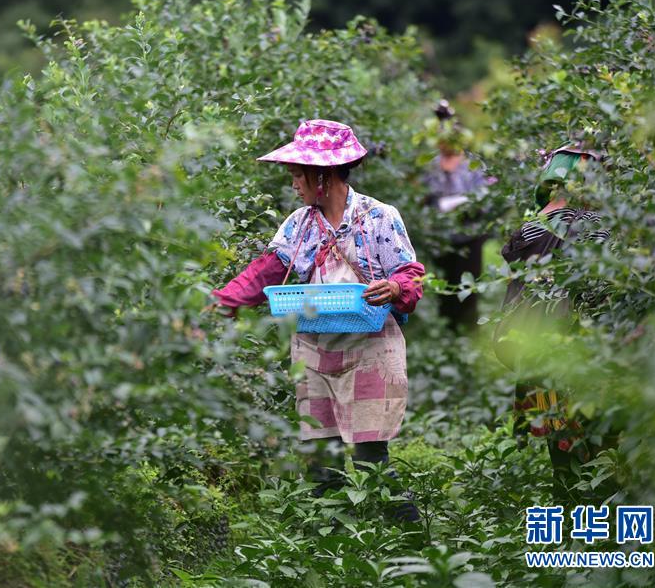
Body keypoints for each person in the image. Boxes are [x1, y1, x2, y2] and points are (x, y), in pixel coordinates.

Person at [211, 120, 425, 518]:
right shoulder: (298, 224)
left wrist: (394, 288)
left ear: (323, 176)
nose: (294, 184)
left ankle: (408, 543)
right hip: (314, 347)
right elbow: (268, 271)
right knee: (320, 461)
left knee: (370, 460)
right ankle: (332, 550)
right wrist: (222, 302)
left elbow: (409, 274)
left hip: (370, 346)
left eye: (298, 175)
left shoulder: (379, 217)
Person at [494, 141, 614, 504]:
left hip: (541, 356)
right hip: (589, 357)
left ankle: (570, 532)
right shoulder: (596, 224)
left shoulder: (532, 228)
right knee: (603, 452)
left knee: (562, 449)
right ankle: (602, 533)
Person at [422, 101, 493, 330]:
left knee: (468, 288)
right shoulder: (431, 165)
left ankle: (469, 334)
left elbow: (486, 200)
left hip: (470, 236)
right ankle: (448, 336)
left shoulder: (473, 164)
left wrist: (464, 204)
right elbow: (422, 199)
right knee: (445, 290)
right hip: (442, 237)